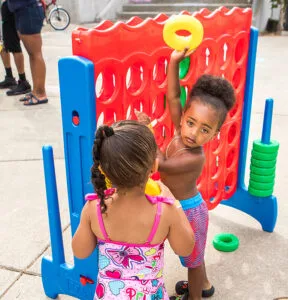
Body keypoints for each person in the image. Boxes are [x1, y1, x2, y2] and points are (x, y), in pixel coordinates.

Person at [136, 48, 236, 300]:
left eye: (205, 130)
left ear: (214, 135)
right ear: (183, 119)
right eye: (190, 122)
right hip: (180, 207)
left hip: (191, 212)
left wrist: (146, 130)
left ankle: (194, 297)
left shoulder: (194, 157)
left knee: (192, 261)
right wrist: (173, 61)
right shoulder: (182, 132)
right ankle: (204, 286)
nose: (193, 133)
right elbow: (172, 97)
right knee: (195, 255)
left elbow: (158, 163)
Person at [72, 120, 195, 299]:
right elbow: (186, 248)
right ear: (153, 167)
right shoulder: (164, 212)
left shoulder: (94, 208)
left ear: (103, 170)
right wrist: (174, 203)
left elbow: (80, 252)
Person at [7, 0, 48, 105]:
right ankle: (36, 91)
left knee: (35, 53)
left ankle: (40, 93)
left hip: (29, 10)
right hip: (21, 10)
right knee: (32, 54)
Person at [0, 0, 31, 95]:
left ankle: (23, 81)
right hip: (5, 7)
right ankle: (9, 77)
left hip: (11, 5)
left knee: (14, 45)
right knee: (3, 43)